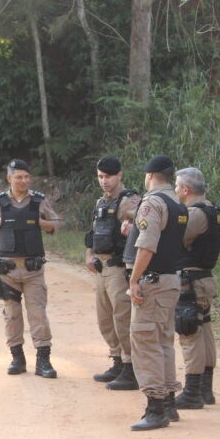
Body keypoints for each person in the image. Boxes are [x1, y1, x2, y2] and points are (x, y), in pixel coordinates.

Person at [0, 158, 61, 378]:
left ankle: (43, 360)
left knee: (38, 315)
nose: (23, 180)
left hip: (33, 270)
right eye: (18, 177)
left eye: (26, 176)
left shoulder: (38, 201)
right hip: (7, 272)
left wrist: (39, 222)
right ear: (9, 178)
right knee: (12, 315)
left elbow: (55, 224)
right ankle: (17, 358)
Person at [125, 155, 188, 431]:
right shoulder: (178, 204)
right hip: (172, 281)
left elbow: (147, 246)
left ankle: (155, 407)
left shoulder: (152, 203)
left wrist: (134, 279)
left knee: (145, 342)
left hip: (153, 282)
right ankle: (169, 403)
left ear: (150, 176)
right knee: (163, 342)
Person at [84, 156, 141, 390]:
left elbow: (143, 225)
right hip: (101, 268)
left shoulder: (129, 200)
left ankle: (131, 367)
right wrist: (89, 255)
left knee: (122, 317)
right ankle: (117, 360)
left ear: (120, 175)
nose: (104, 181)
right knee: (105, 317)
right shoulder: (101, 203)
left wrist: (132, 228)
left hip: (118, 268)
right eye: (100, 177)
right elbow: (93, 233)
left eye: (108, 176)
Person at [173, 167, 220, 409]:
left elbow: (173, 240)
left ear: (186, 189)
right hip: (204, 278)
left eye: (176, 186)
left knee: (189, 331)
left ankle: (192, 392)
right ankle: (206, 390)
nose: (174, 190)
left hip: (190, 282)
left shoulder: (194, 215)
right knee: (204, 331)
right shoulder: (214, 211)